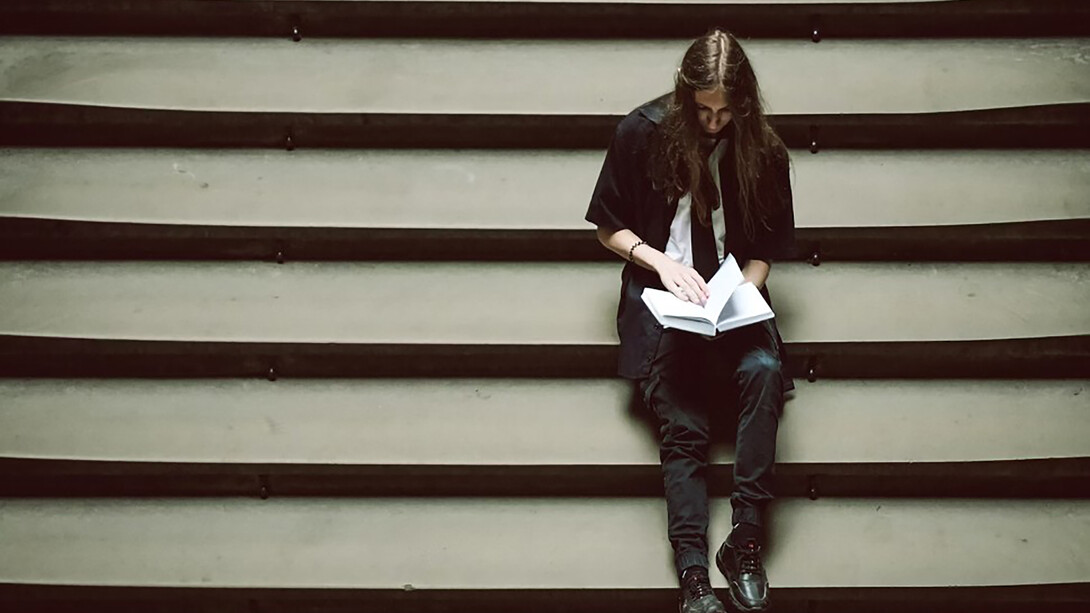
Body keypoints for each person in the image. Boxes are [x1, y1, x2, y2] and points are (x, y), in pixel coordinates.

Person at [585, 29, 795, 613]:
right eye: (702, 109)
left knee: (763, 373)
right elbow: (607, 227)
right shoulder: (641, 131)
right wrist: (661, 263)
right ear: (684, 97)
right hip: (662, 298)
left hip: (730, 299)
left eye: (726, 111)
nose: (713, 122)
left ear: (745, 105)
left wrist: (738, 298)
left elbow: (762, 253)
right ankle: (694, 574)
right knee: (684, 419)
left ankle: (745, 540)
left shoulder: (765, 150)